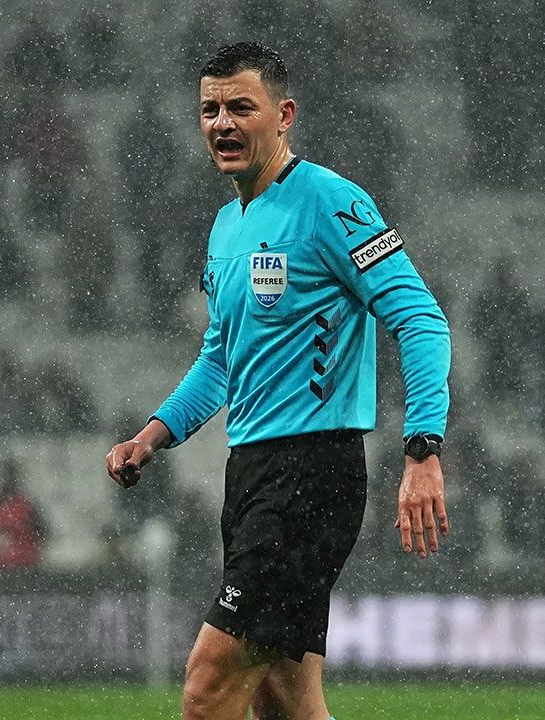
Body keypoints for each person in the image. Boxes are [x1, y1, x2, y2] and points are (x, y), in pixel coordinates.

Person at [104, 43, 451, 720]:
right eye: (210, 109)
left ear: (284, 115)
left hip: (310, 475)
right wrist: (153, 435)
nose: (222, 123)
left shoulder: (332, 202)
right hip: (253, 475)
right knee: (286, 703)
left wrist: (423, 448)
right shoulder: (226, 227)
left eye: (241, 107)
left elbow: (421, 319)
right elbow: (220, 359)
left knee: (208, 685)